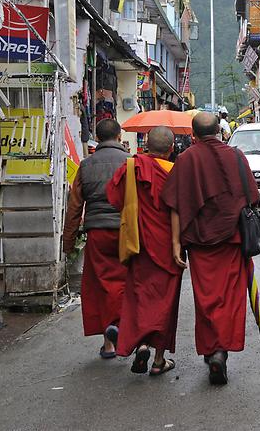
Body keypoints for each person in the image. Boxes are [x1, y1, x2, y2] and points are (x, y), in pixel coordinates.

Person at [163, 112, 259, 386]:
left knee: (206, 299)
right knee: (229, 298)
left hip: (201, 243)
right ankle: (220, 351)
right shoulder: (237, 156)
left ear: (193, 134)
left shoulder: (185, 160)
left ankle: (211, 349)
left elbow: (174, 204)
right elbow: (252, 196)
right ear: (219, 130)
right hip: (232, 240)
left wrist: (175, 245)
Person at [106, 126, 182, 377]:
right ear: (171, 149)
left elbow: (115, 199)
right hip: (169, 247)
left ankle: (141, 345)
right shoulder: (176, 172)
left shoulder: (132, 167)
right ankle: (159, 360)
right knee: (165, 303)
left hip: (139, 243)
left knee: (140, 297)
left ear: (147, 145)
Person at [62, 119, 129, 359]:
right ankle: (123, 330)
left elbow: (74, 207)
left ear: (97, 139)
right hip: (126, 231)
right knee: (126, 283)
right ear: (120, 137)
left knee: (101, 285)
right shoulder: (130, 164)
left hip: (98, 232)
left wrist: (68, 242)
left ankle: (108, 345)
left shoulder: (86, 165)